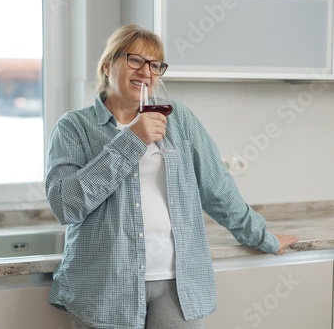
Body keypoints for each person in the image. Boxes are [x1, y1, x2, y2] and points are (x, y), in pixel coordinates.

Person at [45, 24, 298, 329]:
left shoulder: (178, 118)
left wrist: (262, 237)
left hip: (177, 283)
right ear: (107, 65)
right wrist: (131, 141)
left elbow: (218, 191)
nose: (146, 72)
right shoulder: (74, 127)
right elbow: (65, 205)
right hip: (105, 285)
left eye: (155, 65)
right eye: (135, 60)